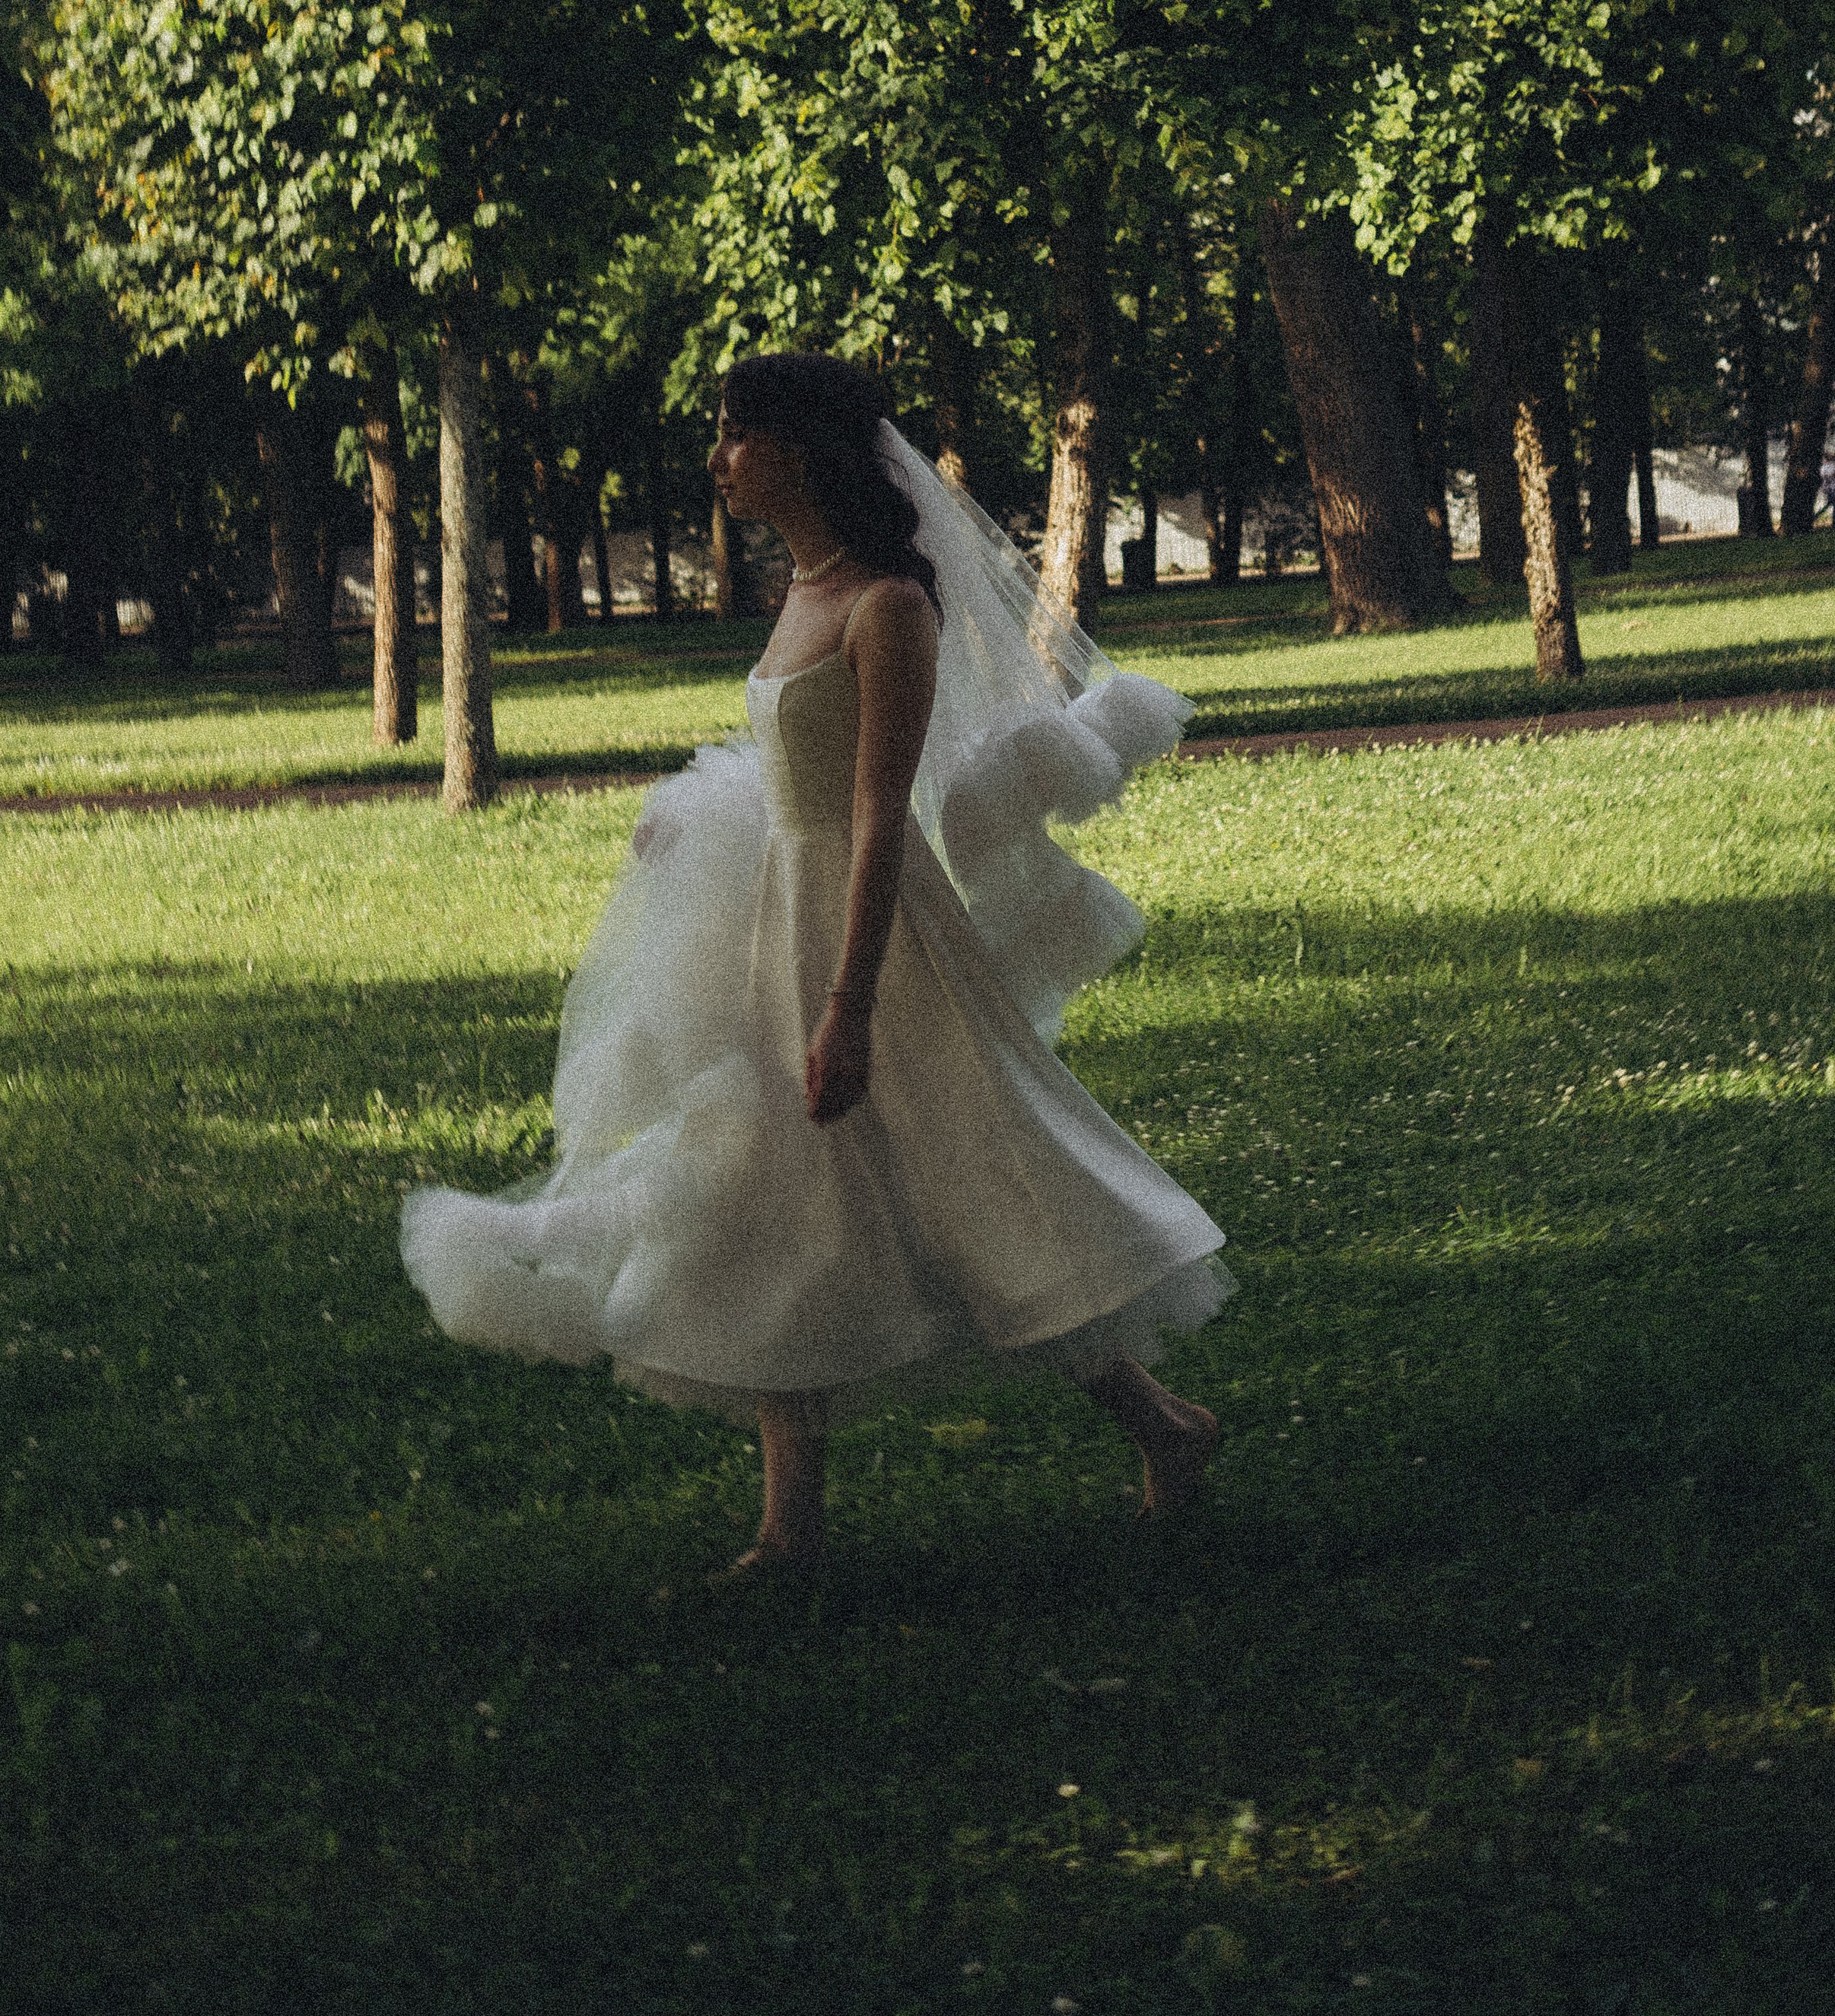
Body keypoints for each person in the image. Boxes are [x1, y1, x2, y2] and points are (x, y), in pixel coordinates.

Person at [402, 354, 1231, 1572]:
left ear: (804, 448)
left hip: (874, 938)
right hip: (775, 920)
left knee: (977, 1182)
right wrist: (698, 819)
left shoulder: (890, 607)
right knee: (761, 1193)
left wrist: (848, 1006)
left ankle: (1164, 1424)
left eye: (738, 435)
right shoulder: (805, 590)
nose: (719, 458)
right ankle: (791, 1526)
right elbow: (796, 770)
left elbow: (881, 811)